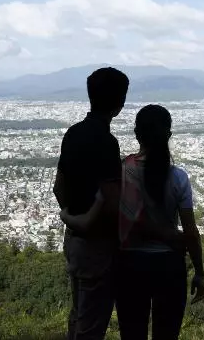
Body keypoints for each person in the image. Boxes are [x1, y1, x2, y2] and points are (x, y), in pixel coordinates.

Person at [61, 104, 204, 340]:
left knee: (132, 334)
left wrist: (66, 215)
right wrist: (199, 272)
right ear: (168, 135)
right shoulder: (178, 178)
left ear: (136, 134)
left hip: (129, 265)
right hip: (169, 265)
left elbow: (107, 213)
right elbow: (191, 232)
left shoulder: (121, 172)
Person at [53, 67, 129, 340]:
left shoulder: (72, 134)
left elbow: (58, 186)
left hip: (74, 239)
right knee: (92, 324)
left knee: (78, 315)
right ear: (119, 106)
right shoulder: (106, 142)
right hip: (98, 246)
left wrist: (72, 216)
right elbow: (110, 202)